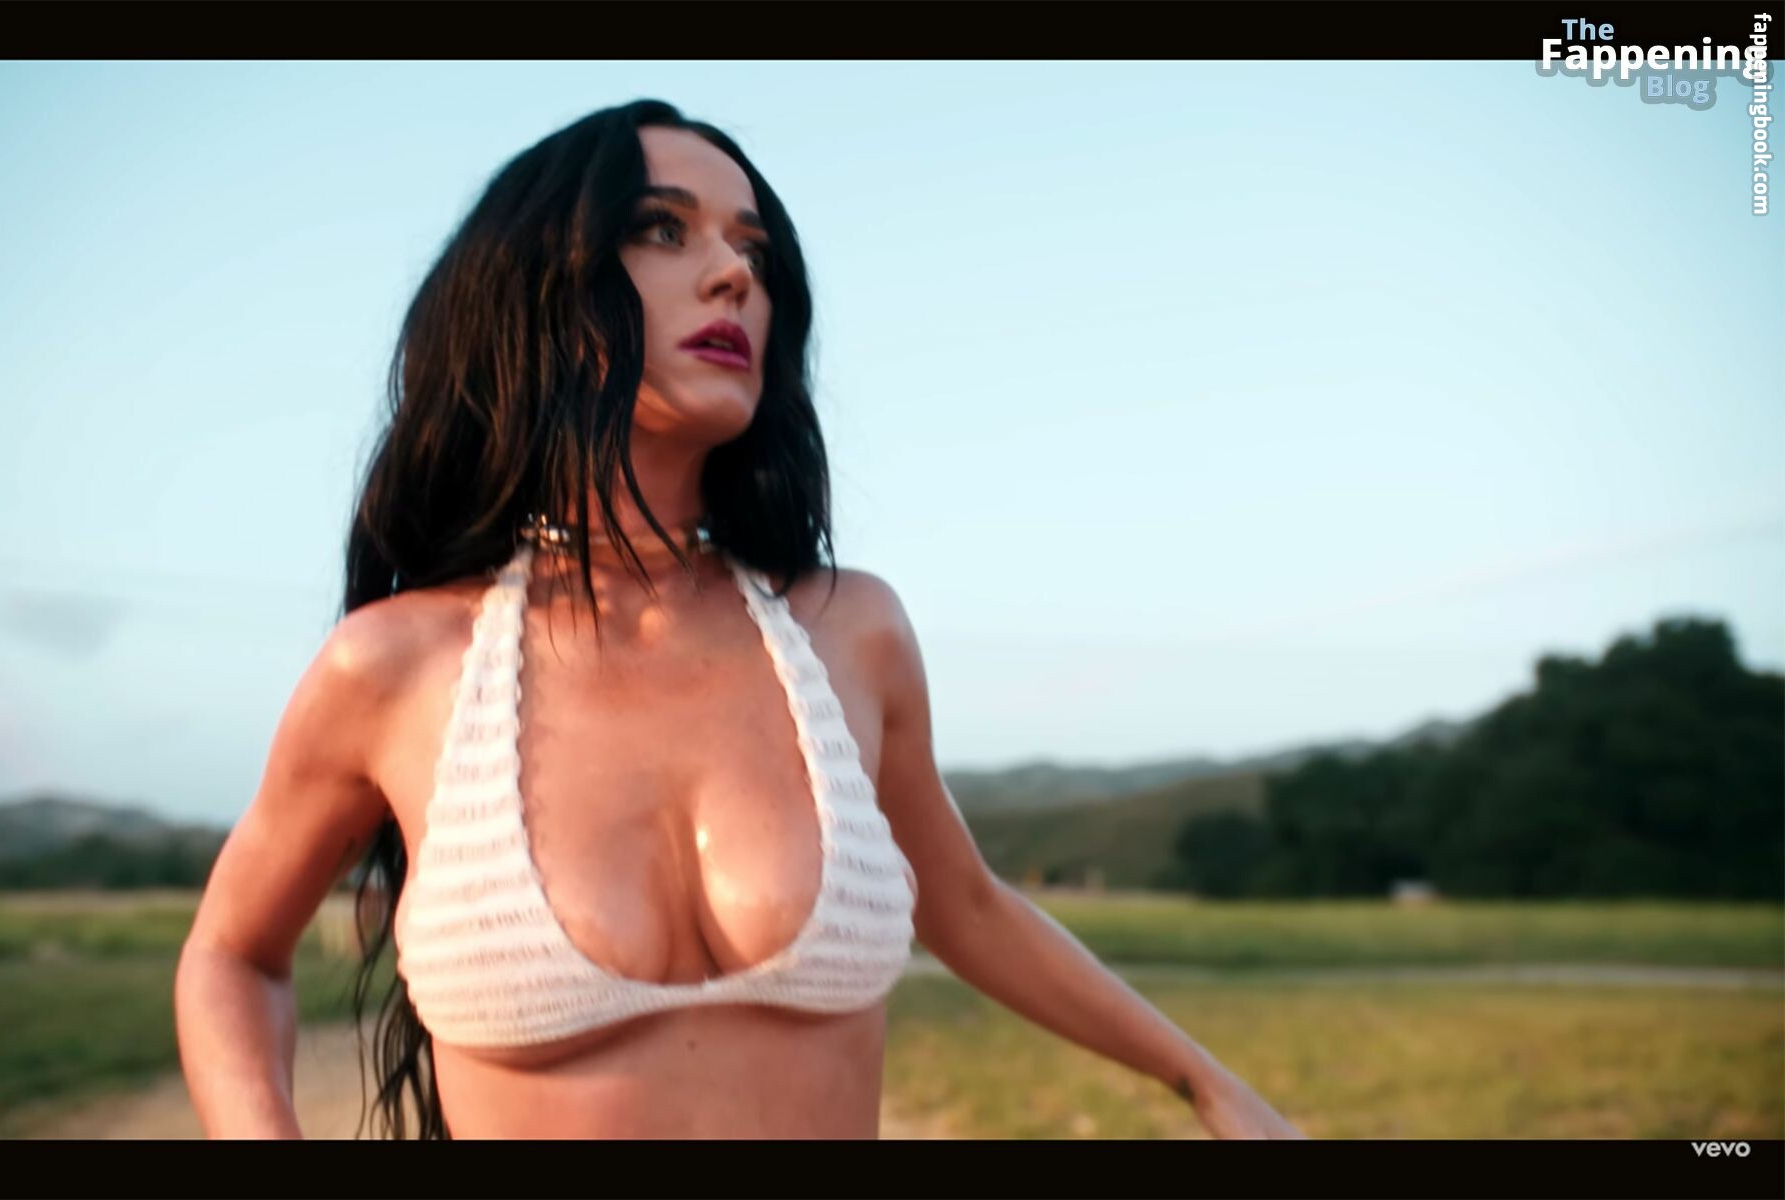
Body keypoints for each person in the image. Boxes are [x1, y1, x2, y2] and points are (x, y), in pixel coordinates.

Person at [174, 98, 1304, 1141]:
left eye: (754, 251)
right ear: (540, 287)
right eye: (663, 230)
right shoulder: (398, 665)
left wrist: (1208, 1083)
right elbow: (233, 954)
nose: (731, 276)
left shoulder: (849, 632)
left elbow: (964, 904)